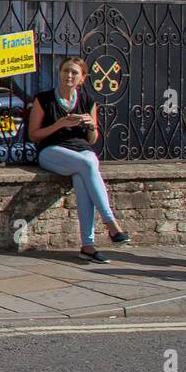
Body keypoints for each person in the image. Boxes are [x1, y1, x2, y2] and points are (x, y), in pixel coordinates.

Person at [27, 56, 131, 262]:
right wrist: (60, 124)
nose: (69, 75)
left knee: (83, 173)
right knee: (88, 164)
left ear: (82, 78)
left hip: (81, 150)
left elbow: (91, 140)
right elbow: (34, 135)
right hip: (52, 150)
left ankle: (88, 245)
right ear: (59, 73)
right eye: (66, 70)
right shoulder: (44, 99)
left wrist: (91, 126)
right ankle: (110, 223)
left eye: (74, 72)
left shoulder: (87, 101)